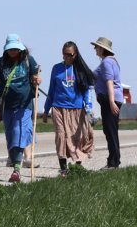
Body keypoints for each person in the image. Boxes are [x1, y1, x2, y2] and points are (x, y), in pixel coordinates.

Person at [0, 34, 41, 183]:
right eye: (10, 49)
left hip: (25, 104)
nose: (12, 51)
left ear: (20, 48)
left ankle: (16, 171)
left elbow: (35, 76)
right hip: (7, 105)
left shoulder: (28, 60)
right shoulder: (1, 63)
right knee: (11, 135)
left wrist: (37, 80)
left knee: (19, 133)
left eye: (15, 49)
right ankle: (15, 161)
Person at [43, 41, 96, 177]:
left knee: (75, 139)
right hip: (58, 108)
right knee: (61, 136)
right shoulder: (56, 68)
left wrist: (89, 108)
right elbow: (51, 90)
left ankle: (77, 167)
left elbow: (87, 91)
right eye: (64, 54)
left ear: (75, 54)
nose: (66, 57)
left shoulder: (80, 70)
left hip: (76, 110)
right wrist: (46, 109)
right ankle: (63, 168)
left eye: (69, 55)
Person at [91, 37, 123, 169]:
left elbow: (109, 82)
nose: (95, 49)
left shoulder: (106, 63)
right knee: (111, 130)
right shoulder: (113, 62)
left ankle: (113, 162)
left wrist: (111, 102)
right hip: (114, 99)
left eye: (97, 47)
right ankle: (114, 160)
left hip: (110, 100)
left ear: (102, 49)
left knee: (110, 131)